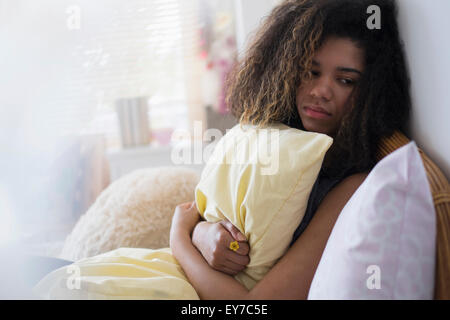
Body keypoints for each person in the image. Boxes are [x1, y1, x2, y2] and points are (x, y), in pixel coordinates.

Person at [169, 0, 411, 299]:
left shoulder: (351, 189)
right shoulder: (269, 135)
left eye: (345, 80)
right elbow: (200, 209)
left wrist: (179, 238)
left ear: (371, 93)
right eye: (311, 72)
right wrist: (202, 234)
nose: (321, 91)